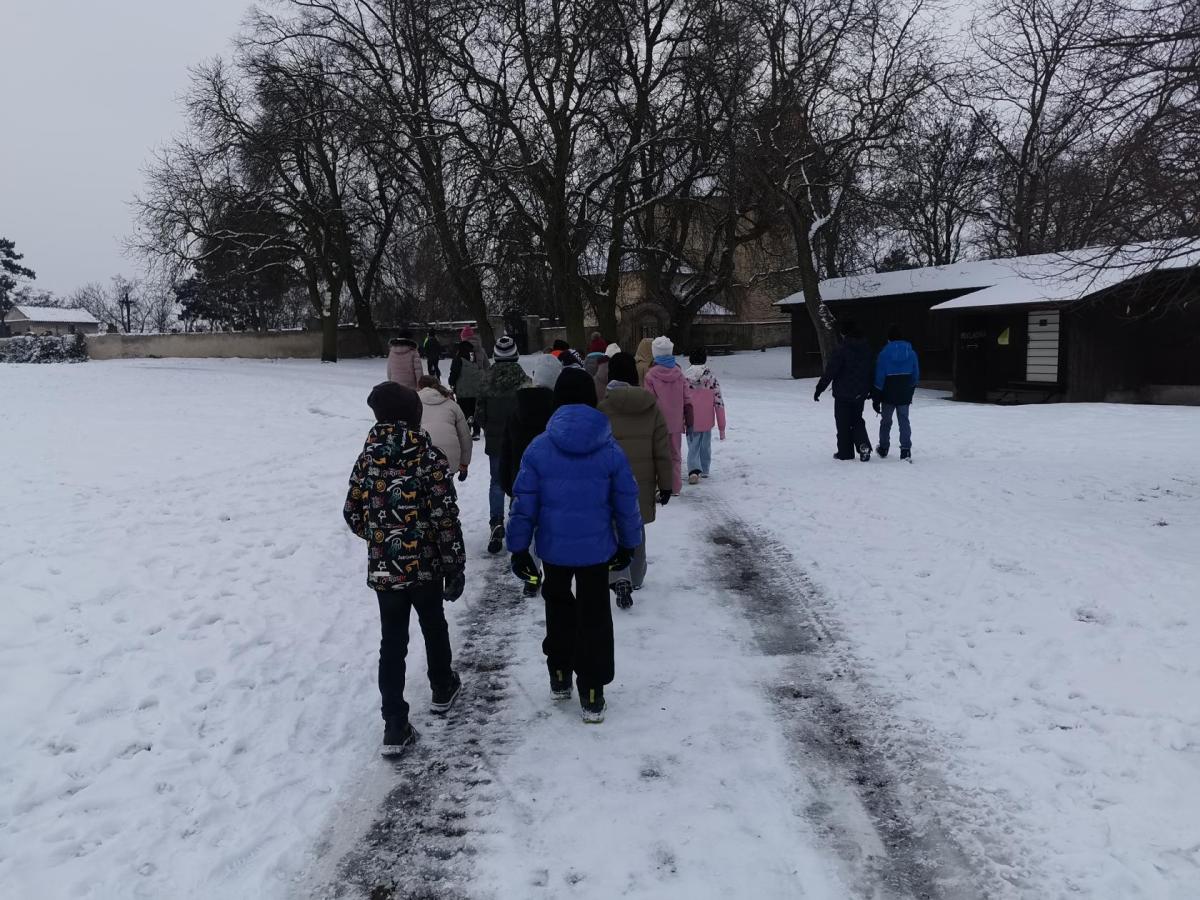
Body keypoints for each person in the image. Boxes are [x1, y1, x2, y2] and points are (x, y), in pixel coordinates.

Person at [507, 368, 642, 724]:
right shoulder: (610, 449)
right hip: (597, 551)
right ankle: (592, 689)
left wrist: (519, 549)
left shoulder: (539, 448)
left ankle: (559, 672)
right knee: (595, 615)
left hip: (554, 550)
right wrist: (629, 543)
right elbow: (626, 501)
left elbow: (523, 504)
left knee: (558, 607)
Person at [343, 382, 466, 756]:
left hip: (386, 570)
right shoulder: (428, 457)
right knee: (433, 624)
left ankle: (394, 724)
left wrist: (380, 539)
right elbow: (445, 517)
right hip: (425, 565)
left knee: (392, 642)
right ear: (414, 415)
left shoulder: (367, 459)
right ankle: (442, 686)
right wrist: (454, 564)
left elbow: (352, 511)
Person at [598, 352, 673, 608]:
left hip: (610, 480)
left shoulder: (602, 408)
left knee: (613, 527)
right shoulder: (651, 407)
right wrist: (666, 484)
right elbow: (662, 450)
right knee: (635, 525)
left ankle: (619, 575)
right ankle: (637, 576)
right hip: (641, 481)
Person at [500, 354, 562, 595]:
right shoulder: (558, 412)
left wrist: (506, 481)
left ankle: (531, 574)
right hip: (552, 481)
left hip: (521, 478)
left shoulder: (517, 409)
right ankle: (554, 571)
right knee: (550, 529)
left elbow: (506, 449)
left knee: (527, 526)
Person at [476, 335, 529, 554]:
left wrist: (488, 427)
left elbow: (479, 413)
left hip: (496, 439)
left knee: (497, 481)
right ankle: (517, 521)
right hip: (519, 438)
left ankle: (496, 521)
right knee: (519, 480)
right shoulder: (524, 379)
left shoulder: (486, 380)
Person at [813, 320, 874, 461]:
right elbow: (871, 370)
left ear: (844, 333)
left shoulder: (841, 350)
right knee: (857, 419)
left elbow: (831, 371)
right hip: (860, 392)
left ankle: (845, 452)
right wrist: (871, 389)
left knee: (843, 422)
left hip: (843, 393)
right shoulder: (866, 349)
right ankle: (863, 445)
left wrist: (820, 388)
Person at [642, 336, 692, 495]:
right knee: (675, 454)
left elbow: (649, 401)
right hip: (676, 422)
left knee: (659, 454)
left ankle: (662, 485)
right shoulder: (679, 374)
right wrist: (689, 418)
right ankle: (675, 486)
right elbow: (687, 398)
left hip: (658, 422)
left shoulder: (650, 375)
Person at [873, 324, 920, 461]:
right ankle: (905, 450)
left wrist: (876, 396)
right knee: (904, 420)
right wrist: (910, 389)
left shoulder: (884, 354)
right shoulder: (911, 353)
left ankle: (883, 447)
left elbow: (879, 377)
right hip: (904, 391)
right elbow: (915, 375)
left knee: (886, 421)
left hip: (888, 392)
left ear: (889, 339)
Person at [683, 349, 727, 484]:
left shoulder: (684, 378)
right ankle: (705, 468)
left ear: (690, 360)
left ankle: (693, 470)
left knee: (693, 445)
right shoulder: (711, 378)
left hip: (690, 419)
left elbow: (680, 400)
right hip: (707, 420)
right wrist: (722, 427)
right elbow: (719, 402)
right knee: (705, 445)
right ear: (705, 359)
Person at [417, 375, 472, 479]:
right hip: (449, 457)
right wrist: (464, 464)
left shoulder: (413, 404)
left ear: (419, 387)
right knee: (445, 484)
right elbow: (465, 437)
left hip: (422, 456)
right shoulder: (452, 405)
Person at [449, 340, 483, 439]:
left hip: (462, 390)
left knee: (464, 412)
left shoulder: (458, 359)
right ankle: (476, 431)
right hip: (475, 389)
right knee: (474, 411)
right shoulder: (474, 357)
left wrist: (451, 382)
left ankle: (466, 430)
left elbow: (454, 373)